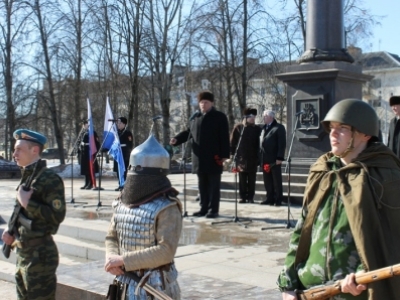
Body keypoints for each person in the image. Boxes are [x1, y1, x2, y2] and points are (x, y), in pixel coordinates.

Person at [277, 99, 400, 300]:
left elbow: (393, 237)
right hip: (311, 289)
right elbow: (303, 228)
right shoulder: (322, 170)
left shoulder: (384, 175)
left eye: (342, 128)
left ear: (365, 134)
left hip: (355, 291)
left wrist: (365, 272)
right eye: (331, 128)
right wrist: (287, 283)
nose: (333, 134)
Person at [104, 134, 182, 299]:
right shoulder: (122, 201)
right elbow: (112, 236)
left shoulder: (167, 206)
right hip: (124, 283)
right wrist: (111, 258)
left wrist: (123, 260)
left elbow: (166, 251)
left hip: (155, 286)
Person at [1, 129, 66, 300]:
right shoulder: (28, 177)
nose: (14, 154)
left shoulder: (49, 179)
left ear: (34, 150)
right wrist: (12, 233)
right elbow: (24, 217)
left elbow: (57, 216)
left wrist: (28, 203)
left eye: (19, 149)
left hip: (40, 256)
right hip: (24, 253)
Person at [170, 91, 230, 218]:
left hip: (214, 157)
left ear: (212, 103)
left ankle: (213, 210)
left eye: (206, 102)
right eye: (201, 102)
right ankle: (203, 208)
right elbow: (188, 132)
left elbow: (224, 137)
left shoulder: (219, 117)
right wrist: (177, 139)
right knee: (202, 185)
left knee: (213, 185)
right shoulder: (195, 117)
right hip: (198, 158)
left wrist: (225, 154)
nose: (203, 104)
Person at [230, 107, 261, 203]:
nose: (252, 119)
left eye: (254, 117)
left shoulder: (257, 129)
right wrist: (232, 154)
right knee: (242, 179)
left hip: (252, 158)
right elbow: (232, 142)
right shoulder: (239, 127)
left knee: (252, 180)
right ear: (245, 117)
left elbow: (258, 144)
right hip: (241, 158)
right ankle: (242, 197)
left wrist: (258, 157)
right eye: (251, 116)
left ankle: (251, 197)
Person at [259, 109, 286, 206]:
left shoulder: (279, 128)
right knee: (267, 181)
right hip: (264, 158)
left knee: (276, 180)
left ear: (271, 117)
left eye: (265, 116)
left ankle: (278, 199)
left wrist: (280, 157)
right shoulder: (263, 128)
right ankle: (269, 198)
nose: (263, 118)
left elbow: (281, 144)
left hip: (274, 159)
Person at [113, 117, 133, 191]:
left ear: (124, 124)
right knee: (118, 170)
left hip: (124, 154)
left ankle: (124, 185)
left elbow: (130, 144)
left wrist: (127, 153)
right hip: (117, 154)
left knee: (124, 170)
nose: (118, 124)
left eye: (120, 123)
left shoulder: (127, 133)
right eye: (118, 123)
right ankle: (120, 184)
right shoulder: (116, 132)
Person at [78, 119, 100, 189]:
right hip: (84, 152)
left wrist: (96, 151)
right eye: (84, 125)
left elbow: (97, 143)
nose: (84, 126)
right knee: (85, 169)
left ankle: (91, 183)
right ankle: (86, 183)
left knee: (90, 168)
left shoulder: (93, 133)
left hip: (90, 152)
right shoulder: (83, 133)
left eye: (86, 124)